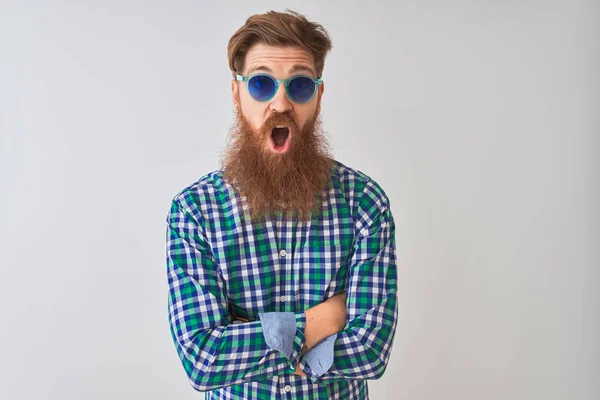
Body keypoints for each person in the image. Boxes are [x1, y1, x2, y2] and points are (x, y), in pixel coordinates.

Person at [166, 9, 398, 399]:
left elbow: (371, 351)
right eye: (261, 84)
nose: (280, 103)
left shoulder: (364, 203)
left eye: (300, 86)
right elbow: (203, 360)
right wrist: (323, 319)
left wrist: (248, 333)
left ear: (319, 95)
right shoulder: (195, 211)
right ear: (236, 92)